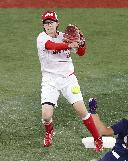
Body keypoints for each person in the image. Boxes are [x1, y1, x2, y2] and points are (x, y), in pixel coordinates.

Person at [36, 11, 103, 151]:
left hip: (68, 79)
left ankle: (97, 138)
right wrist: (71, 44)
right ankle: (49, 132)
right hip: (50, 80)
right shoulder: (42, 38)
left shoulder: (65, 37)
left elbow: (81, 53)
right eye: (46, 23)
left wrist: (81, 44)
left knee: (82, 111)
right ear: (43, 25)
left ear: (57, 23)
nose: (48, 25)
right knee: (46, 116)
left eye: (51, 22)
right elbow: (52, 46)